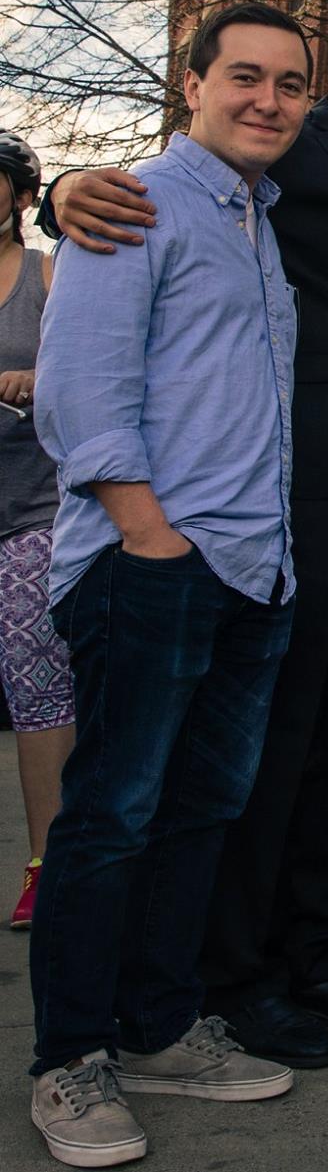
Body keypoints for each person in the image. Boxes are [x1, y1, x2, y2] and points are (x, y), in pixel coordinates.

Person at [45, 0, 328, 1065]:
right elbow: (145, 217)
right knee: (249, 762)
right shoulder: (280, 152)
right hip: (266, 498)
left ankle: (308, 952)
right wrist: (61, 191)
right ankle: (230, 979)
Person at [28, 4, 309, 1168]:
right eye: (244, 76)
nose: (268, 100)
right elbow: (77, 391)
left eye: (290, 84)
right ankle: (69, 1061)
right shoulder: (136, 202)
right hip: (152, 567)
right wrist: (149, 535)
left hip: (251, 571)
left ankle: (154, 1029)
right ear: (191, 82)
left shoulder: (259, 219)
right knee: (109, 822)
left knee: (196, 815)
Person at [1, 133, 74, 934]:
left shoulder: (47, 278)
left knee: (36, 681)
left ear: (21, 197)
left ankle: (46, 862)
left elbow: (89, 367)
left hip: (34, 510)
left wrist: (37, 376)